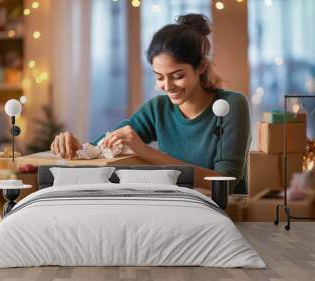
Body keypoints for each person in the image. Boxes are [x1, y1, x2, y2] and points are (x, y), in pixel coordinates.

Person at [50, 14, 251, 193]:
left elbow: (227, 182)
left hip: (223, 211)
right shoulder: (158, 109)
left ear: (201, 67)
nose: (168, 86)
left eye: (177, 76)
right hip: (175, 207)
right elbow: (102, 146)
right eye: (159, 77)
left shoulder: (233, 105)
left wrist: (145, 152)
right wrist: (77, 147)